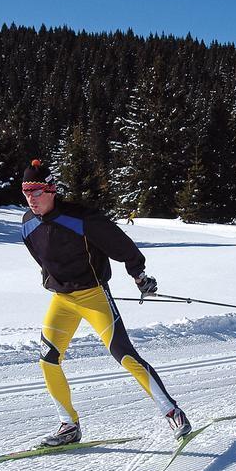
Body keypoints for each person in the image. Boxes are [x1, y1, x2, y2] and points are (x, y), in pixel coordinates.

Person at [19, 159, 192, 446]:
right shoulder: (27, 225)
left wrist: (139, 276)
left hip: (93, 296)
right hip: (62, 299)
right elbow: (43, 258)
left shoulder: (81, 218)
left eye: (37, 192)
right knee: (48, 359)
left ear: (51, 190)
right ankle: (68, 425)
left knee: (124, 355)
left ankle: (173, 412)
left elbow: (122, 245)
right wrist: (53, 278)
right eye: (26, 193)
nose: (31, 199)